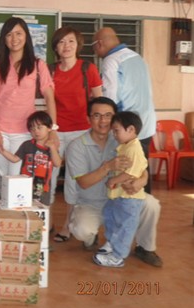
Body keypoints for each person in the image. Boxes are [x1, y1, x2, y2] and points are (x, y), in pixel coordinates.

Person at [65, 96, 162, 267]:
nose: (103, 121)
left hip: (123, 198)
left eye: (108, 115)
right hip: (92, 203)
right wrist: (108, 167)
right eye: (97, 115)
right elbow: (83, 183)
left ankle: (145, 247)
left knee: (151, 204)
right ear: (88, 118)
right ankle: (93, 238)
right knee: (82, 230)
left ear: (115, 118)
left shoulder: (123, 138)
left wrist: (142, 180)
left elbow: (140, 166)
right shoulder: (76, 146)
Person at [0, 17, 57, 187]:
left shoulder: (38, 64)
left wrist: (52, 130)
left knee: (19, 178)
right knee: (1, 178)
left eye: (18, 33)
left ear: (26, 36)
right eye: (9, 34)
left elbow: (49, 98)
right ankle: (2, 206)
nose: (14, 38)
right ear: (4, 39)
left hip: (25, 131)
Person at [49, 26, 103, 243]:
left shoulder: (88, 69)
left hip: (81, 131)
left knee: (74, 178)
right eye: (61, 42)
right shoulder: (50, 71)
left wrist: (99, 131)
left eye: (71, 41)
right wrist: (51, 130)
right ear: (55, 47)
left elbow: (99, 102)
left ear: (78, 45)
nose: (66, 46)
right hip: (55, 132)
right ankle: (47, 222)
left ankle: (67, 225)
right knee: (49, 176)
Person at [93, 27, 156, 192]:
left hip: (126, 127)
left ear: (99, 44)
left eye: (94, 46)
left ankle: (130, 206)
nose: (95, 51)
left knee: (126, 171)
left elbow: (110, 97)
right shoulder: (137, 57)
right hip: (146, 124)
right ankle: (144, 205)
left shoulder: (111, 61)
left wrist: (105, 123)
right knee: (141, 169)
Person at [93, 111, 148, 267]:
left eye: (116, 131)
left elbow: (132, 172)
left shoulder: (134, 148)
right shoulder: (125, 146)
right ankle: (111, 243)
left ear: (130, 129)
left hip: (130, 198)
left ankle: (118, 256)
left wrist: (113, 180)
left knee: (125, 226)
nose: (114, 134)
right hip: (119, 195)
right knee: (110, 216)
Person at [0, 111, 62, 206]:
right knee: (24, 206)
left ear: (49, 128)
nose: (36, 131)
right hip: (25, 184)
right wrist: (1, 150)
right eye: (32, 129)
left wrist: (53, 148)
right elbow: (14, 159)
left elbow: (57, 163)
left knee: (41, 209)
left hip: (43, 187)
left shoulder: (51, 146)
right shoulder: (27, 145)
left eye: (39, 127)